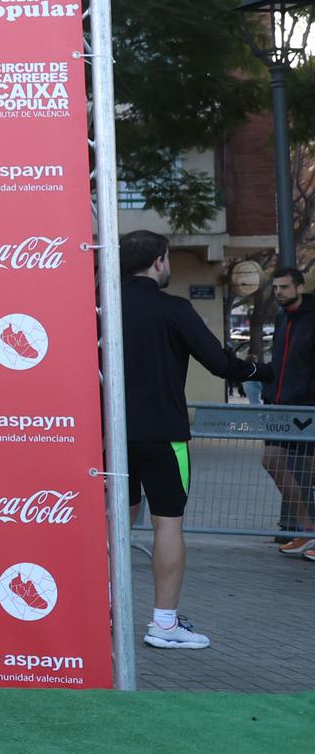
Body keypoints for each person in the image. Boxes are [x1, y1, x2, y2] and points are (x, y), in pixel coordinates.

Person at [119, 230, 270, 647]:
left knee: (113, 526)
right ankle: (164, 625)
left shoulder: (98, 306)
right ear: (159, 262)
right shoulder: (173, 308)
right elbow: (222, 365)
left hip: (109, 437)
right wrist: (263, 372)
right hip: (164, 436)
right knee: (168, 523)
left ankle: (102, 614)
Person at [262, 266, 315, 555]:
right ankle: (307, 530)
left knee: (308, 470)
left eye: (284, 287)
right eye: (275, 288)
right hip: (281, 407)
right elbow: (280, 363)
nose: (279, 292)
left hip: (308, 408)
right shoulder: (282, 318)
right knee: (272, 460)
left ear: (299, 287)